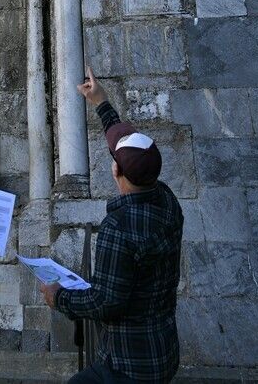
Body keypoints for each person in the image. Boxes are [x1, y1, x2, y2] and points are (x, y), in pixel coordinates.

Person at [40, 68, 183, 384]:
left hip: (128, 364)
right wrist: (101, 101)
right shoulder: (168, 202)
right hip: (162, 350)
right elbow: (126, 148)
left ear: (116, 170)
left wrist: (58, 298)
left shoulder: (118, 228)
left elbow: (106, 302)